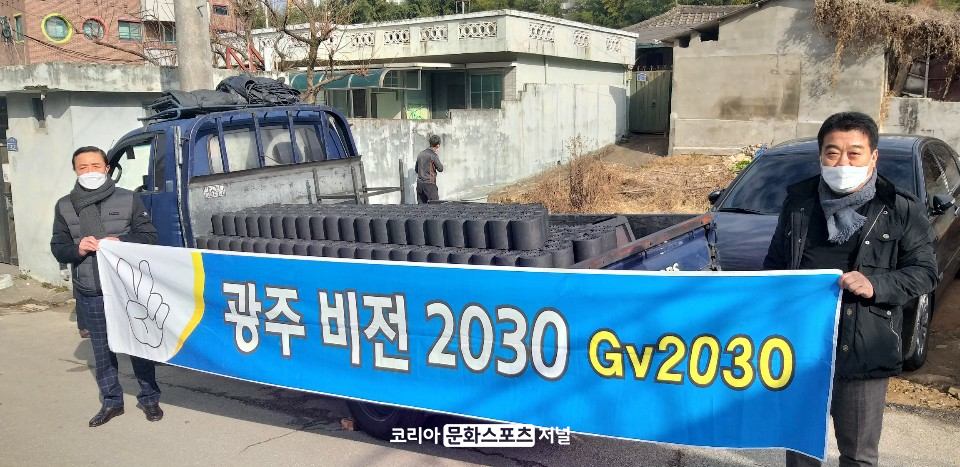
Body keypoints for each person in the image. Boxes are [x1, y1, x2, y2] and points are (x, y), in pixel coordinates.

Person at [764, 112, 937, 466]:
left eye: (854, 153)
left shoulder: (900, 208)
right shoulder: (798, 202)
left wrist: (876, 284)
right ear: (820, 156)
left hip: (864, 350)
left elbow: (924, 272)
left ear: (873, 157)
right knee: (800, 447)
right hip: (802, 348)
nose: (843, 162)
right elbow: (774, 266)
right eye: (832, 153)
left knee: (858, 455)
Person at [50, 146, 164, 427]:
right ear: (75, 171)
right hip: (91, 288)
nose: (89, 172)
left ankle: (150, 398)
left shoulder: (128, 198)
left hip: (128, 288)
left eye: (95, 166)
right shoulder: (65, 205)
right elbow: (58, 247)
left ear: (107, 168)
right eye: (82, 167)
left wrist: (122, 241)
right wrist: (77, 249)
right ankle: (112, 401)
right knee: (102, 350)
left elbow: (149, 236)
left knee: (139, 345)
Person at [415, 134, 444, 204]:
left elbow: (416, 169)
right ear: (438, 145)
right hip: (430, 184)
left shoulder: (420, 154)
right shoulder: (433, 156)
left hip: (420, 184)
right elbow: (440, 169)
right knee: (434, 206)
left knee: (421, 207)